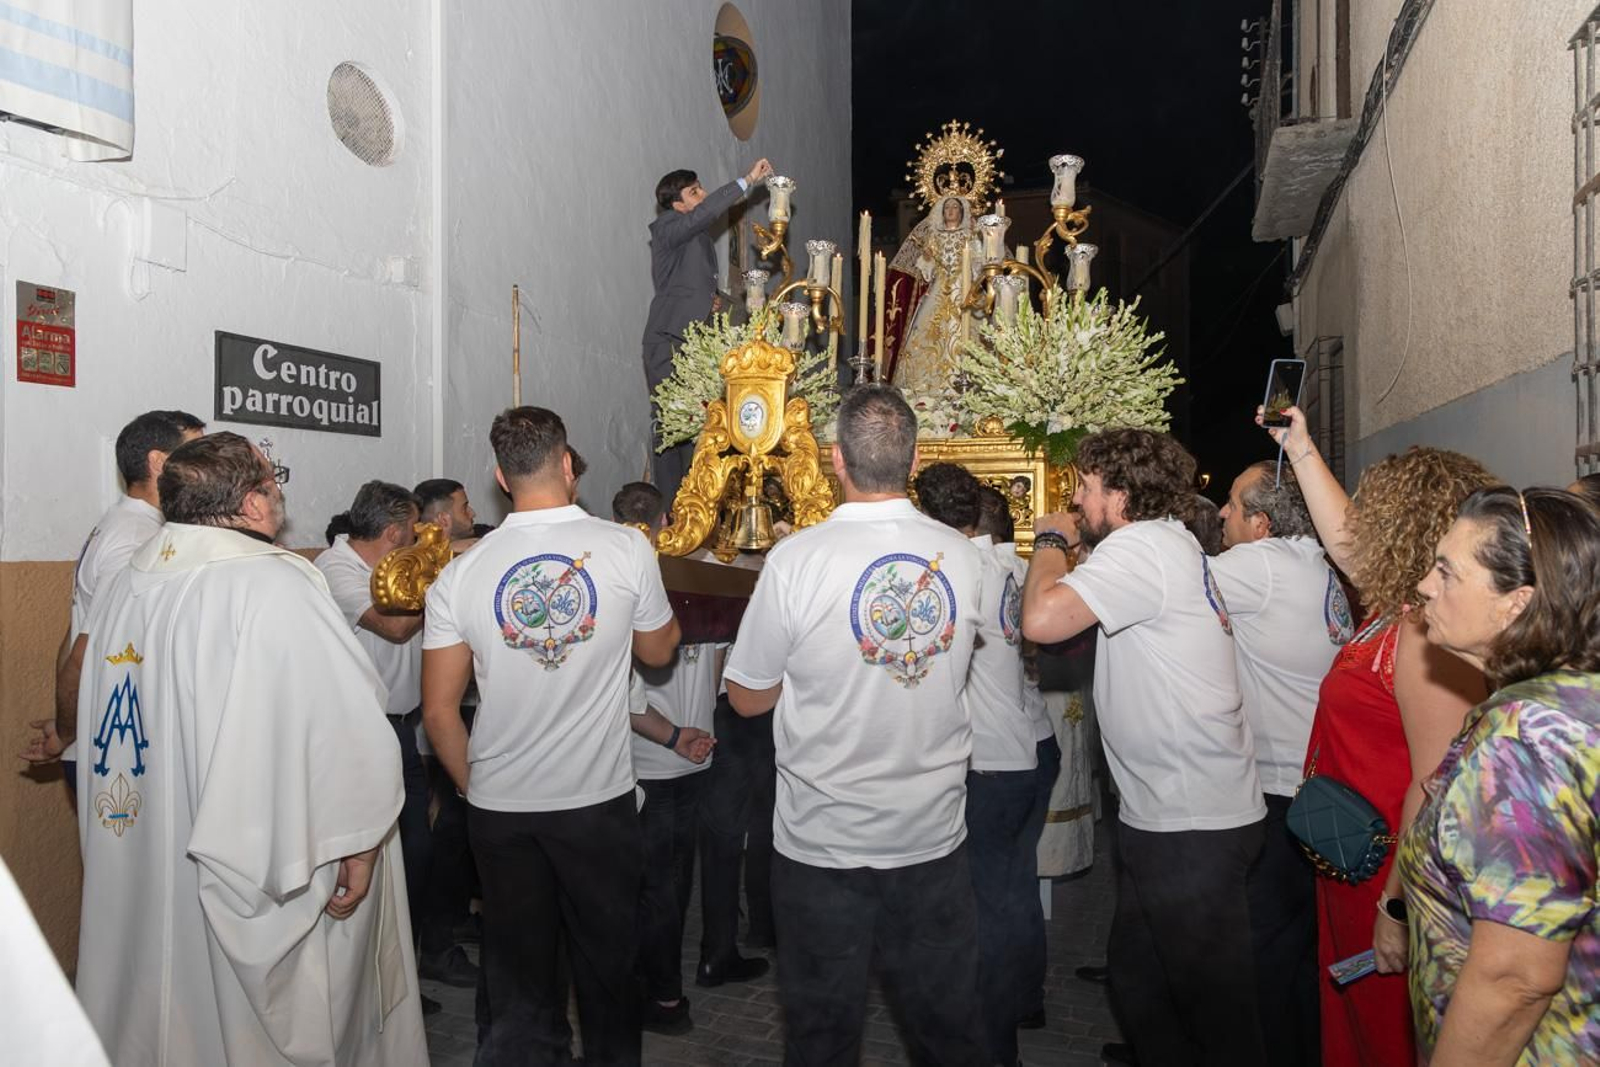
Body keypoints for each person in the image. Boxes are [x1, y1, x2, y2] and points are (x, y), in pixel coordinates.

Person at [73, 432, 426, 1065]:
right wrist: (360, 839)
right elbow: (339, 728)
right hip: (246, 850)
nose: (279, 492)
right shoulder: (271, 583)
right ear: (255, 504)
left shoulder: (129, 582)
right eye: (273, 479)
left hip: (142, 834)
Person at [724, 385, 987, 1065]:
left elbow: (748, 697)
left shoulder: (795, 559)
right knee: (946, 1033)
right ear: (915, 457)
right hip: (931, 835)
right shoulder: (962, 555)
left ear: (835, 459)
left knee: (820, 1037)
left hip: (823, 841)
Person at [422, 407, 681, 1066]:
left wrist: (474, 788)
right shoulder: (625, 548)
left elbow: (440, 710)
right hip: (596, 804)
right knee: (608, 970)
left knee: (520, 983)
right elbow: (658, 652)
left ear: (500, 478)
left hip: (502, 809)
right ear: (567, 465)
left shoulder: (462, 572)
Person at [1020, 427, 1269, 1067]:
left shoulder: (1138, 549)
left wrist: (1049, 540)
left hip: (1190, 824)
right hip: (1174, 816)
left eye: (1084, 487)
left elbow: (1042, 620)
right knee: (1140, 981)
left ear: (1121, 495)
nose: (1075, 501)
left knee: (1219, 1014)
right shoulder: (1167, 543)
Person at [1260, 406, 1495, 1067]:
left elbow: (1434, 786)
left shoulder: (1427, 636)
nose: (1361, 524)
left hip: (1387, 878)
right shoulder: (1400, 608)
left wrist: (1394, 905)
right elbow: (1346, 541)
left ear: (1401, 526)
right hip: (1351, 865)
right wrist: (1299, 448)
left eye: (1377, 513)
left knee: (1383, 1035)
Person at [1403, 486, 1600, 1065]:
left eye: (1447, 572)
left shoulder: (1524, 741)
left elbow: (1515, 978)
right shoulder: (1572, 699)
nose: (1424, 585)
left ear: (1515, 603)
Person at [1213, 460, 1352, 1066]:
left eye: (1232, 505)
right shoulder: (1319, 564)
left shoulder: (1258, 565)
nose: (1220, 514)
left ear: (1261, 523)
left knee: (1260, 949)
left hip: (1277, 791)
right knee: (1299, 947)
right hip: (1316, 781)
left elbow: (1163, 583)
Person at [316, 481, 478, 998]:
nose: (420, 540)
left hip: (403, 728)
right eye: (413, 532)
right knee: (390, 855)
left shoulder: (398, 565)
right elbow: (394, 626)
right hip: (362, 731)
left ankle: (410, 969)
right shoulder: (334, 569)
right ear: (392, 533)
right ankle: (376, 984)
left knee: (416, 854)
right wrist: (445, 578)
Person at [610, 482, 743, 1036]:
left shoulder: (616, 572)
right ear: (670, 518)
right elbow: (715, 670)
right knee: (667, 884)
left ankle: (656, 992)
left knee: (648, 885)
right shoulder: (706, 573)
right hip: (688, 746)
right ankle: (659, 996)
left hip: (645, 753)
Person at [917, 462, 1038, 1067]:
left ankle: (994, 1047)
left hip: (986, 760)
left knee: (984, 911)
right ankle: (1014, 1008)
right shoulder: (1007, 566)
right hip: (1014, 751)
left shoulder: (965, 573)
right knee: (1009, 898)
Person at [21, 410, 204, 781]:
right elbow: (84, 649)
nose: (208, 465)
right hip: (115, 746)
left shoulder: (126, 523)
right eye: (197, 453)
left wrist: (66, 723)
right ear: (159, 463)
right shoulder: (137, 537)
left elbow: (75, 630)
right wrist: (67, 734)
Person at [976, 484, 1073, 1032]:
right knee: (1016, 880)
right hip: (1035, 738)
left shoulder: (971, 571)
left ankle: (997, 1005)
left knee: (993, 887)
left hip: (998, 753)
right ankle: (1026, 996)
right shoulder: (1024, 571)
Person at [642, 158, 773, 506]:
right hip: (669, 340)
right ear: (677, 204)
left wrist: (707, 303)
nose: (702, 196)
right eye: (694, 192)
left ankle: (695, 500)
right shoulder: (667, 227)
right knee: (671, 424)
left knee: (699, 421)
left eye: (701, 189)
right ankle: (671, 508)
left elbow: (685, 284)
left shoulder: (693, 235)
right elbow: (704, 215)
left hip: (693, 340)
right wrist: (746, 181)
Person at [884, 195, 984, 393]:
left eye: (955, 207)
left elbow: (978, 265)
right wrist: (928, 258)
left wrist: (971, 265)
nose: (951, 210)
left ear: (962, 212)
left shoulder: (970, 236)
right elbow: (926, 272)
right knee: (928, 330)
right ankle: (925, 387)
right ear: (941, 212)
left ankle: (970, 383)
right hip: (938, 290)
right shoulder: (934, 236)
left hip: (963, 291)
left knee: (969, 333)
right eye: (947, 207)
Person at [416, 476, 480, 552]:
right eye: (464, 508)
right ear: (443, 520)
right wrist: (445, 551)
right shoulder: (412, 560)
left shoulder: (483, 533)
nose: (473, 513)